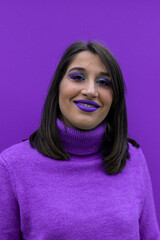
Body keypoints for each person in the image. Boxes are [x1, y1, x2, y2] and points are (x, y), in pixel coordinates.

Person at [0, 41, 159, 240]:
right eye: (77, 77)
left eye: (104, 82)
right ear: (58, 88)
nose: (91, 91)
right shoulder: (12, 166)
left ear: (114, 97)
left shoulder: (133, 158)